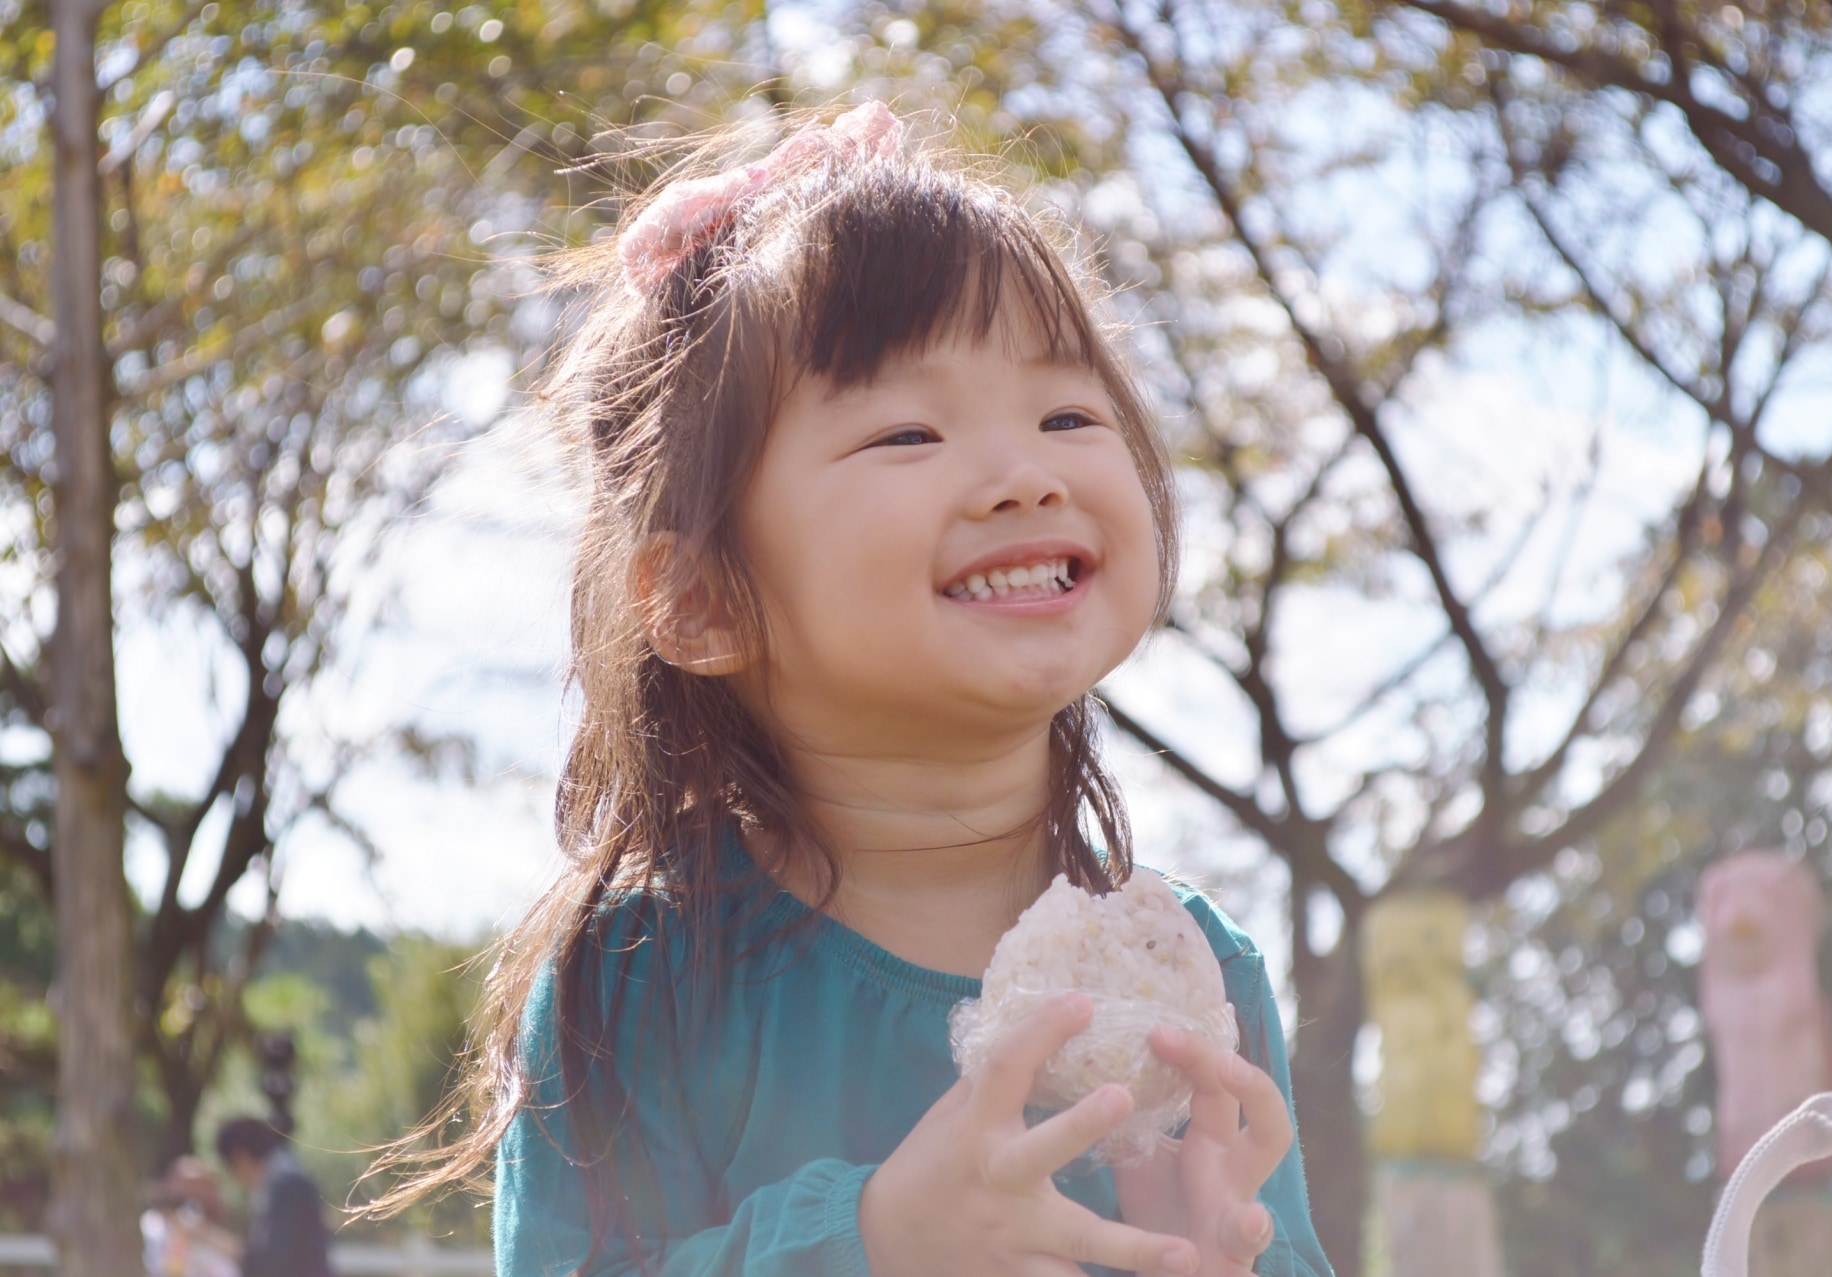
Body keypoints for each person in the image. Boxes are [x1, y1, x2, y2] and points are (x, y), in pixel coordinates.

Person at [378, 101, 1334, 1277]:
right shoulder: (647, 977)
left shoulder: (1199, 968)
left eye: (1069, 413)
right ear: (704, 602)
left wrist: (1213, 1252)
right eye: (908, 433)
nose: (1025, 474)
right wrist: (871, 1240)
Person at [214, 1117, 335, 1277]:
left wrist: (205, 1234)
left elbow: (270, 1262)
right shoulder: (285, 1179)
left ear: (240, 1157)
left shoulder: (286, 1185)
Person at [141, 1156, 241, 1277]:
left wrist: (205, 1233)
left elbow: (245, 1256)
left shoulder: (225, 1223)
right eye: (190, 1184)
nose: (197, 1191)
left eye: (203, 1184)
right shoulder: (155, 1224)